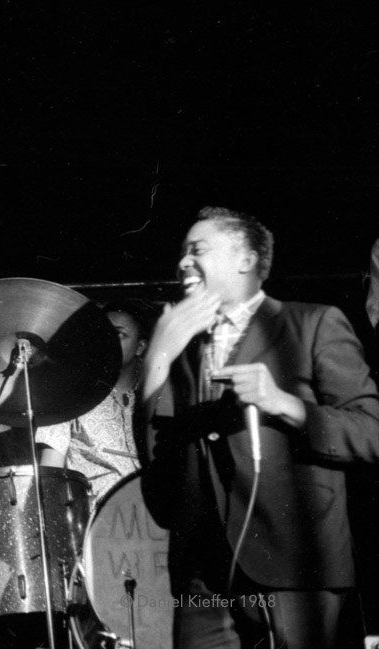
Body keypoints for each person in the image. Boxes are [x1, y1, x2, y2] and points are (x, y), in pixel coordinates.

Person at [139, 206, 379, 649]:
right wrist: (157, 357)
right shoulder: (180, 345)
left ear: (246, 259)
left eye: (198, 250)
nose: (183, 263)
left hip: (295, 563)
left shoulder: (311, 323)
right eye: (181, 254)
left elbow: (371, 432)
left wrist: (285, 404)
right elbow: (159, 460)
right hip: (205, 576)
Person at [34, 300, 152, 505]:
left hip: (154, 515)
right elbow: (49, 477)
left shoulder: (153, 399)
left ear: (140, 347)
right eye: (102, 334)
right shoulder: (69, 398)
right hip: (98, 517)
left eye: (119, 334)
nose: (108, 341)